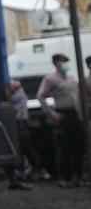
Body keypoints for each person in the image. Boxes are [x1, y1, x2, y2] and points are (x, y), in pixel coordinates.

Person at [36, 53, 85, 188]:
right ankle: (64, 177)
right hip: (62, 114)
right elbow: (40, 96)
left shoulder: (71, 78)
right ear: (55, 63)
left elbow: (78, 96)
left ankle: (78, 176)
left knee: (78, 147)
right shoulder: (50, 79)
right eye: (62, 61)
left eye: (66, 61)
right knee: (63, 148)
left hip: (75, 114)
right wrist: (52, 114)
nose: (65, 64)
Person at [7, 79, 43, 185]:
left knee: (24, 148)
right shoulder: (20, 94)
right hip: (20, 123)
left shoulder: (18, 94)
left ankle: (32, 170)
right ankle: (25, 171)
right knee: (23, 148)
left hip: (20, 123)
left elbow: (13, 108)